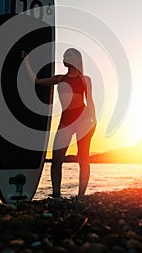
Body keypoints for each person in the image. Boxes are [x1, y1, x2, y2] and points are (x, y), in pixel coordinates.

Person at [22, 48, 97, 197]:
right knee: (57, 159)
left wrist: (94, 121)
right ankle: (56, 194)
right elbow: (36, 81)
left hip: (83, 120)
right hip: (66, 120)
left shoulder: (85, 79)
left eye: (68, 55)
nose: (64, 57)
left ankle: (81, 196)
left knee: (83, 158)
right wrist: (26, 63)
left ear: (76, 59)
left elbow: (90, 101)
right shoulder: (59, 79)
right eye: (64, 55)